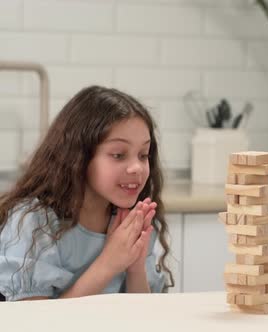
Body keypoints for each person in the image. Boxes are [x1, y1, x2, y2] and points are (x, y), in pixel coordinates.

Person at [0, 86, 174, 301]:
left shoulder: (132, 219)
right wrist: (108, 263)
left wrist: (135, 266)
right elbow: (34, 322)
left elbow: (144, 315)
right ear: (78, 157)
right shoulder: (34, 223)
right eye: (119, 155)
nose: (137, 168)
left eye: (143, 154)